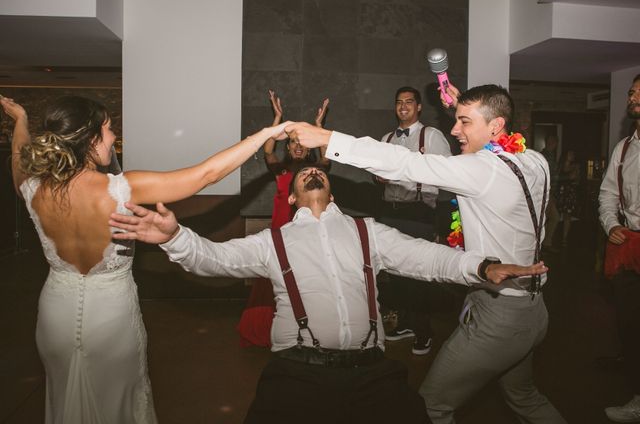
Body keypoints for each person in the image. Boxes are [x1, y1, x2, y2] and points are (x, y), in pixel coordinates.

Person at [109, 165, 548, 424]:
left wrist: (483, 266)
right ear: (295, 197)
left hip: (372, 373)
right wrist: (173, 237)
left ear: (330, 190)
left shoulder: (366, 232)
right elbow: (211, 259)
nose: (310, 173)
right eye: (302, 176)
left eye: (317, 171)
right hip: (297, 374)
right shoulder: (271, 242)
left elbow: (428, 259)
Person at [285, 83, 566, 423]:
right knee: (525, 397)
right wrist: (469, 109)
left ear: (495, 127)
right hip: (535, 310)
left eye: (463, 122)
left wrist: (329, 140)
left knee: (429, 406)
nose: (453, 129)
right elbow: (498, 128)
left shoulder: (480, 170)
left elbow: (404, 164)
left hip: (500, 316)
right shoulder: (535, 161)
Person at [0, 94, 289, 424]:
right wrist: (265, 134)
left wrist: (20, 120)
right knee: (119, 402)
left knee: (64, 394)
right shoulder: (122, 189)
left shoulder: (33, 186)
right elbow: (206, 174)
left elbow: (18, 160)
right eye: (108, 129)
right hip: (111, 314)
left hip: (56, 312)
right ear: (90, 138)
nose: (113, 137)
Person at [236, 90, 329, 347]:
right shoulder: (282, 169)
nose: (298, 147)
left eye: (301, 143)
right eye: (293, 143)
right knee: (275, 282)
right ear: (287, 147)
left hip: (307, 235)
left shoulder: (315, 171)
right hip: (281, 232)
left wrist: (320, 128)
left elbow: (326, 156)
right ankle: (267, 329)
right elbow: (267, 152)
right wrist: (276, 117)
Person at [374, 86, 451, 355]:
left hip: (419, 212)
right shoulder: (385, 139)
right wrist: (379, 176)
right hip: (390, 210)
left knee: (418, 273)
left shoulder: (431, 136)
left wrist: (439, 224)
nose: (403, 106)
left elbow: (448, 173)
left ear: (418, 107)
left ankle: (423, 330)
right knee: (395, 272)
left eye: (409, 102)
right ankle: (405, 323)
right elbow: (378, 173)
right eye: (399, 102)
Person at [599, 73, 640, 423]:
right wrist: (611, 223)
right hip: (629, 245)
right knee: (631, 326)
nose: (633, 96)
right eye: (631, 91)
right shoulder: (624, 148)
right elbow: (608, 193)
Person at [556, 149, 581, 246]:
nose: (572, 155)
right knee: (555, 215)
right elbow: (561, 178)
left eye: (573, 154)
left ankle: (564, 239)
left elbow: (576, 179)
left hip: (569, 193)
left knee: (567, 216)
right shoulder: (560, 166)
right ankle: (553, 237)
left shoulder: (575, 166)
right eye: (570, 153)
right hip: (560, 192)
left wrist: (576, 171)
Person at [541, 134, 560, 252]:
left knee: (549, 218)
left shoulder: (551, 156)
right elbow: (549, 177)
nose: (553, 144)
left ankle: (544, 244)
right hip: (546, 192)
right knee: (553, 218)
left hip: (549, 192)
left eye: (555, 142)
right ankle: (544, 244)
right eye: (551, 141)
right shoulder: (544, 156)